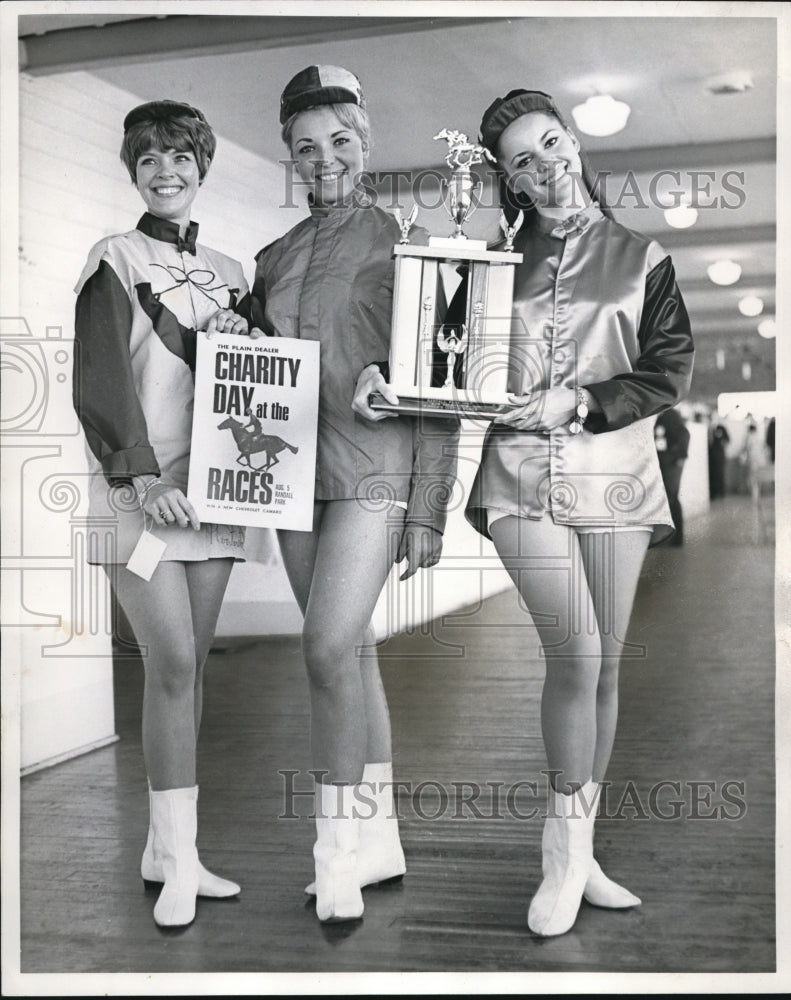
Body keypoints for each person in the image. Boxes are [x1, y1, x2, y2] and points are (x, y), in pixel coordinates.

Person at [355, 88, 693, 938]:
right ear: (506, 178)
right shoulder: (487, 261)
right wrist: (386, 379)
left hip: (616, 474)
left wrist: (576, 406)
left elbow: (667, 370)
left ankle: (582, 857)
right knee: (574, 654)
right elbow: (439, 362)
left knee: (605, 669)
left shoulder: (640, 256)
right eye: (522, 162)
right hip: (514, 480)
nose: (545, 168)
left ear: (572, 141)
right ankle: (556, 858)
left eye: (550, 145)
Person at [250, 66, 458, 923]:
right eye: (306, 147)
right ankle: (378, 839)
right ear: (291, 158)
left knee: (326, 650)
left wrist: (427, 506)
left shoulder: (408, 240)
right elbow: (256, 373)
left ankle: (332, 851)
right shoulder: (272, 258)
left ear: (365, 144)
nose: (324, 157)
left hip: (374, 468)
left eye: (340, 141)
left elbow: (442, 380)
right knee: (353, 654)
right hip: (294, 477)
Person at [73, 100, 252, 928]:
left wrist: (243, 339)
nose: (165, 170)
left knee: (193, 670)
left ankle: (169, 847)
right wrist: (142, 481)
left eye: (179, 155)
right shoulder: (114, 256)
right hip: (137, 496)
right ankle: (176, 862)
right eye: (148, 159)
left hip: (213, 498)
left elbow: (247, 387)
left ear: (202, 165)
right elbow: (102, 378)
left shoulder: (231, 270)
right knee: (171, 664)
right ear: (132, 171)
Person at [654, 407, 690, 546]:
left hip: (670, 465)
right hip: (665, 463)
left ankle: (675, 539)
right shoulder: (661, 416)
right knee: (668, 499)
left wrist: (679, 456)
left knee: (671, 498)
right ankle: (671, 538)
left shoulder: (669, 415)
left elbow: (684, 435)